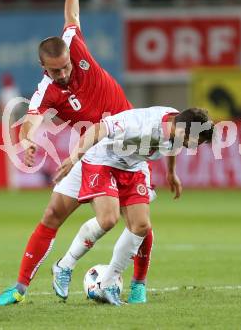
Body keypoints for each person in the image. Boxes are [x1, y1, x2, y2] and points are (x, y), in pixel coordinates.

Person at [0, 0, 153, 306]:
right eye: (56, 70)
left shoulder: (74, 45)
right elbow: (31, 119)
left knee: (140, 222)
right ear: (43, 67)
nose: (64, 74)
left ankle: (138, 284)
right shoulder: (46, 90)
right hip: (94, 150)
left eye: (65, 67)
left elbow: (72, 15)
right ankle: (19, 289)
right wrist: (28, 140)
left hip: (129, 142)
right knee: (54, 213)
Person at [53, 106, 214, 305]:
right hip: (103, 161)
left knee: (141, 226)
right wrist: (72, 158)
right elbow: (98, 129)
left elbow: (171, 145)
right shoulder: (141, 125)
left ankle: (108, 284)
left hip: (133, 166)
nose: (194, 148)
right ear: (181, 130)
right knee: (108, 219)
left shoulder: (177, 123)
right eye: (195, 142)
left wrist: (171, 172)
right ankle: (65, 265)